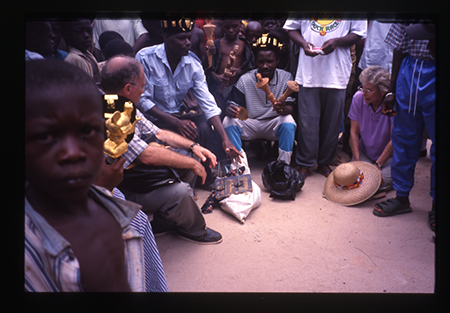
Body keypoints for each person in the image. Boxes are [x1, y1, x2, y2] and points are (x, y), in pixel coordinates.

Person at [25, 59, 168, 292]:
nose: (72, 153)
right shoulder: (29, 251)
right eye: (45, 136)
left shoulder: (124, 218)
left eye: (87, 131)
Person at [100, 55, 224, 244]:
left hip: (133, 174)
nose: (143, 91)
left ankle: (166, 220)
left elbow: (158, 133)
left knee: (191, 156)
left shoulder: (121, 103)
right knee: (180, 191)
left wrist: (194, 146)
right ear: (128, 88)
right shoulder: (112, 114)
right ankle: (194, 229)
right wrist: (192, 163)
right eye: (142, 87)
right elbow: (147, 155)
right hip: (121, 186)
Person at [135, 16, 242, 189]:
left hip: (178, 114)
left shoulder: (193, 64)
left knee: (206, 127)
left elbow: (207, 101)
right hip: (152, 120)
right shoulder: (145, 58)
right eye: (181, 38)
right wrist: (177, 122)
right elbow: (142, 99)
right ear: (166, 37)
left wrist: (225, 139)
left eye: (188, 37)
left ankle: (207, 176)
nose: (188, 43)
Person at [283, 13, 367, 179]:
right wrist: (302, 43)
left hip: (337, 72)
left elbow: (359, 33)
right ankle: (305, 163)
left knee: (332, 123)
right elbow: (291, 28)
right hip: (308, 72)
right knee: (308, 121)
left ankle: (324, 162)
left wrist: (338, 42)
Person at [373, 21, 436, 233]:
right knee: (403, 139)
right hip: (408, 72)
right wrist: (391, 91)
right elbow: (398, 49)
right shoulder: (408, 13)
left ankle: (437, 204)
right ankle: (402, 198)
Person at [224, 33, 297, 165]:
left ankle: (283, 167)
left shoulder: (286, 77)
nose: (265, 66)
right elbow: (234, 105)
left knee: (288, 121)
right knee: (228, 121)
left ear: (277, 61)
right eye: (261, 61)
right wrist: (231, 109)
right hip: (251, 122)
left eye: (269, 61)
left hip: (273, 124)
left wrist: (283, 109)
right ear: (255, 61)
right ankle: (239, 167)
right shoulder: (245, 79)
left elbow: (291, 107)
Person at [348, 65, 394, 197]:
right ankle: (372, 191)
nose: (364, 93)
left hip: (388, 157)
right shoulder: (358, 98)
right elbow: (354, 132)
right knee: (353, 177)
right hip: (365, 154)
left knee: (380, 180)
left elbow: (394, 139)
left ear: (382, 91)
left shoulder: (392, 104)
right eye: (362, 88)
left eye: (369, 90)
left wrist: (378, 165)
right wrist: (357, 160)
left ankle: (373, 190)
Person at [206, 18, 255, 118]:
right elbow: (207, 68)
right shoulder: (217, 44)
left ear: (240, 25)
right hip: (218, 87)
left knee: (234, 114)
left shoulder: (244, 44)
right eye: (227, 27)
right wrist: (216, 77)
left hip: (236, 87)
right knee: (219, 113)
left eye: (234, 26)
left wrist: (239, 71)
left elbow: (251, 66)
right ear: (222, 25)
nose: (231, 30)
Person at [62, 19, 101, 83]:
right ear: (67, 35)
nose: (86, 35)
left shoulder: (89, 55)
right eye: (79, 31)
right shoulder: (71, 59)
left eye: (89, 31)